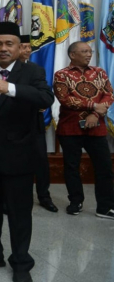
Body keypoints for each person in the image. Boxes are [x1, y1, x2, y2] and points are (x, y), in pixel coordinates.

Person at [0, 22, 54, 282]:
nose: (3, 48)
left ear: (19, 47)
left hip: (19, 157)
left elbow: (45, 99)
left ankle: (21, 262)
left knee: (18, 213)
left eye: (9, 44)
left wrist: (11, 89)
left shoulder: (33, 72)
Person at [54, 41, 114, 219]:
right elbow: (65, 99)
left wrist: (95, 114)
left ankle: (105, 207)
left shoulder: (99, 72)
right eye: (84, 51)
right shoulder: (61, 75)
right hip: (70, 128)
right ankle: (75, 201)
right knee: (72, 167)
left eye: (90, 51)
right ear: (72, 55)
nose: (89, 54)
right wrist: (94, 105)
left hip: (96, 127)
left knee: (104, 167)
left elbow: (109, 94)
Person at [19, 34, 57, 213]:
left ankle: (44, 196)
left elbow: (44, 97)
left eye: (28, 47)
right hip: (10, 125)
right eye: (23, 46)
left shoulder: (35, 70)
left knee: (41, 160)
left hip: (33, 123)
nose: (27, 50)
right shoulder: (0, 70)